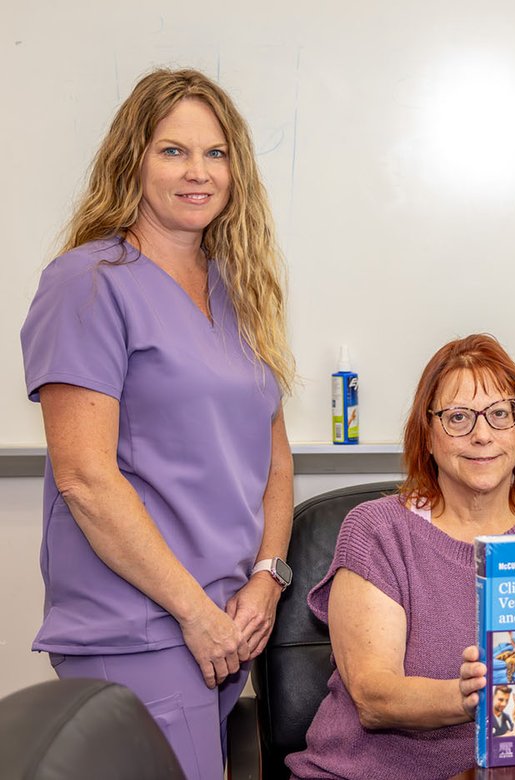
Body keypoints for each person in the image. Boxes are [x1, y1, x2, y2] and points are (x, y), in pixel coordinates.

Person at [19, 69, 294, 779]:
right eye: (173, 151)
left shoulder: (241, 287)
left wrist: (266, 577)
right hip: (142, 627)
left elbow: (274, 457)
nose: (198, 172)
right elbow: (84, 478)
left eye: (216, 153)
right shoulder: (89, 282)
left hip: (228, 623)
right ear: (131, 160)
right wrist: (195, 614)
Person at [287, 335, 515, 778]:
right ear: (428, 435)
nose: (482, 435)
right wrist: (480, 695)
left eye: (500, 414)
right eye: (458, 417)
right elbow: (375, 697)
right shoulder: (378, 531)